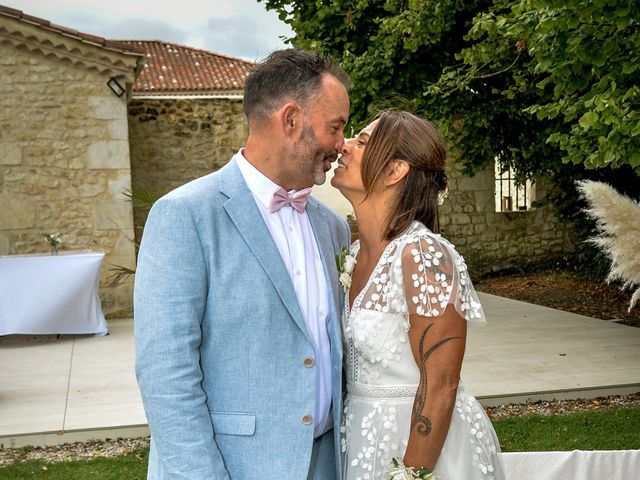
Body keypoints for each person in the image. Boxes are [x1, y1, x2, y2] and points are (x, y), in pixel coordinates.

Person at [134, 49, 351, 480]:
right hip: (236, 469)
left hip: (328, 465)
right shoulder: (186, 215)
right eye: (336, 127)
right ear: (291, 120)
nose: (341, 144)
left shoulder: (333, 228)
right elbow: (166, 373)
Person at [332, 110, 506, 480]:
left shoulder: (423, 255)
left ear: (395, 171)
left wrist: (411, 474)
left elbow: (441, 384)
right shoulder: (353, 252)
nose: (342, 147)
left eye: (361, 142)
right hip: (361, 439)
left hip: (420, 448)